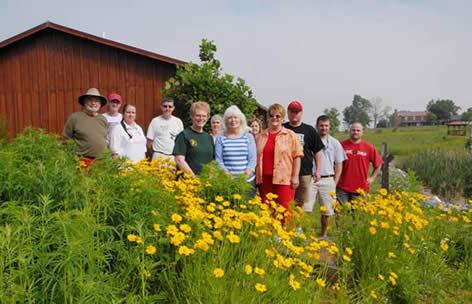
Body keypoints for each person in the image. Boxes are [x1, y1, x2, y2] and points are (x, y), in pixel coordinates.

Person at [255, 103, 303, 211]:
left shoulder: (290, 135)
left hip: (284, 179)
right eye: (271, 115)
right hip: (264, 180)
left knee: (285, 210)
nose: (274, 118)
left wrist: (295, 176)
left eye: (278, 116)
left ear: (282, 118)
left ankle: (287, 228)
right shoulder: (260, 136)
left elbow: (297, 156)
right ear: (267, 118)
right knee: (266, 211)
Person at [305, 115, 347, 237]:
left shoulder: (335, 143)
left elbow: (339, 164)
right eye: (321, 126)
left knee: (327, 211)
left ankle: (323, 235)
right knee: (306, 208)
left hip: (328, 178)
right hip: (311, 178)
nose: (324, 128)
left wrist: (335, 181)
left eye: (326, 126)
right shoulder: (309, 140)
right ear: (316, 126)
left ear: (329, 127)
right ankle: (305, 234)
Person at [283, 101, 324, 213]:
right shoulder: (283, 128)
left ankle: (298, 226)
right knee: (285, 200)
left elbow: (317, 151)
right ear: (288, 112)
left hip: (304, 172)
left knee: (300, 202)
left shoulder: (309, 130)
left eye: (297, 112)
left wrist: (318, 170)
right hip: (285, 171)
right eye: (292, 112)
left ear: (301, 113)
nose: (294, 114)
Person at [337, 122, 383, 204]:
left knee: (358, 215)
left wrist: (372, 178)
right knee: (341, 214)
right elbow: (334, 163)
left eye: (358, 130)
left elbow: (378, 164)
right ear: (349, 131)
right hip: (342, 188)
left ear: (362, 132)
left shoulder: (369, 147)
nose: (355, 132)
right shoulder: (341, 145)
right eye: (353, 130)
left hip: (361, 188)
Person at [215, 105, 257, 195]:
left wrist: (245, 176)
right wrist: (228, 176)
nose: (233, 120)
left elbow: (252, 159)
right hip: (228, 181)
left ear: (240, 119)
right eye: (230, 118)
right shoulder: (220, 138)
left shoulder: (248, 136)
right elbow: (219, 160)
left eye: (235, 117)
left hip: (247, 181)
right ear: (226, 121)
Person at [63, 88, 108, 166]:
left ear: (100, 104)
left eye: (96, 100)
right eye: (90, 100)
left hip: (101, 162)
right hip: (82, 161)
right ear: (84, 102)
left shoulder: (103, 119)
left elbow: (104, 139)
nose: (93, 103)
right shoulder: (75, 118)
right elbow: (65, 139)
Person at [173, 101, 214, 175]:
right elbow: (179, 160)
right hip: (188, 182)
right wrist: (194, 179)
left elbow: (212, 161)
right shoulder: (183, 135)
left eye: (204, 116)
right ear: (191, 116)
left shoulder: (209, 138)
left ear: (207, 117)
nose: (201, 118)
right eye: (198, 115)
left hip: (206, 181)